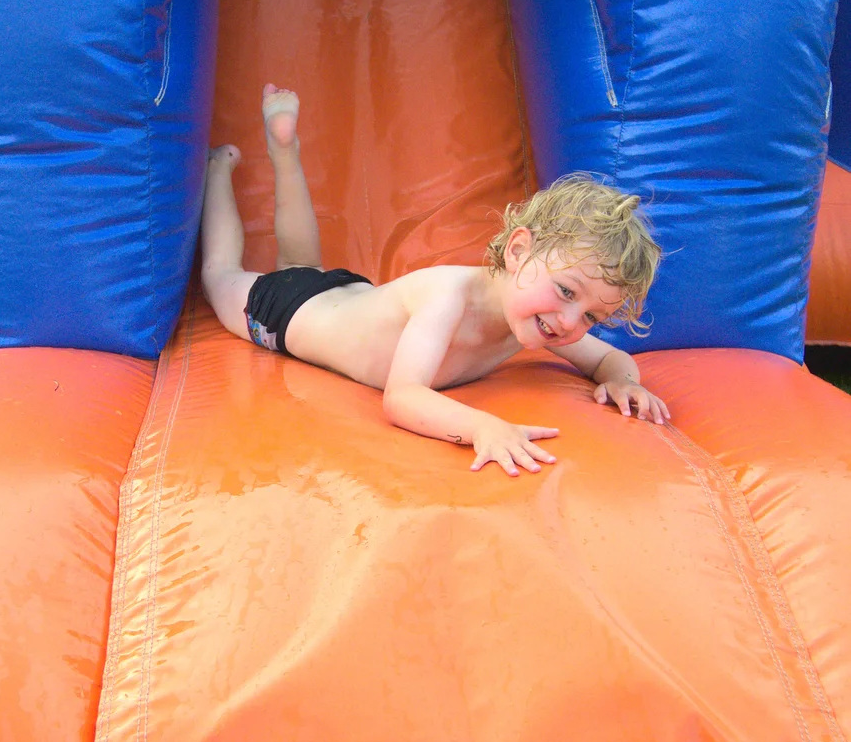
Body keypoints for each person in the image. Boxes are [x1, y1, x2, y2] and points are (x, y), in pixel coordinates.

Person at [201, 85, 668, 476]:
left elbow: (609, 357)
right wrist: (483, 426)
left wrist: (624, 382)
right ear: (518, 250)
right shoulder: (450, 297)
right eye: (567, 292)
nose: (569, 321)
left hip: (348, 294)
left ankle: (285, 150)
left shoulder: (536, 316)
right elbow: (402, 397)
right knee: (220, 274)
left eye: (591, 314)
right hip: (286, 313)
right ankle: (216, 169)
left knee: (300, 262)